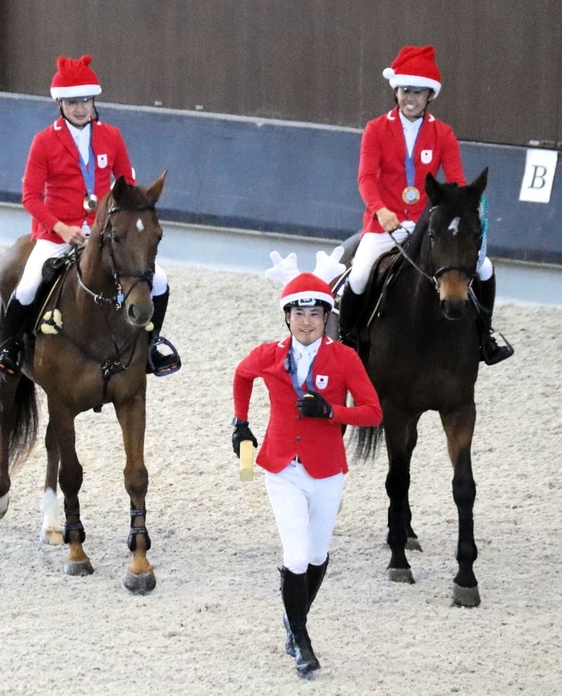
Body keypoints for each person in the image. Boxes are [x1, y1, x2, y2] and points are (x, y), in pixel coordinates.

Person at [231, 266, 382, 678]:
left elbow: (373, 412)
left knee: (316, 555)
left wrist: (332, 412)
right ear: (287, 317)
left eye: (315, 314)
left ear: (326, 316)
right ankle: (301, 637)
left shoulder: (344, 358)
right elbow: (242, 376)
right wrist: (240, 423)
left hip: (328, 470)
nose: (307, 322)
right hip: (282, 469)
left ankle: (292, 618)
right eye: (299, 314)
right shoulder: (268, 355)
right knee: (295, 555)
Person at [0, 54, 181, 377]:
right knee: (26, 286)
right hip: (57, 233)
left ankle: (151, 347)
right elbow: (30, 197)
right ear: (60, 104)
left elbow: (127, 188)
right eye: (71, 102)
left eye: (85, 101)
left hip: (104, 233)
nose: (80, 108)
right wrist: (61, 229)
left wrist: (121, 225)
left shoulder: (112, 136)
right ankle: (11, 349)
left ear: (94, 101)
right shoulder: (44, 141)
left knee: (159, 281)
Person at [338, 45, 513, 365]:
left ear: (429, 96)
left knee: (485, 269)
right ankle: (347, 338)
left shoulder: (442, 134)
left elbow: (457, 182)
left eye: (418, 92)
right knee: (360, 274)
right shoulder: (376, 129)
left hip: (428, 222)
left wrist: (464, 205)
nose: (410, 98)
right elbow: (365, 177)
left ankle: (483, 338)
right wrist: (379, 209)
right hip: (384, 222)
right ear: (397, 90)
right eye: (406, 90)